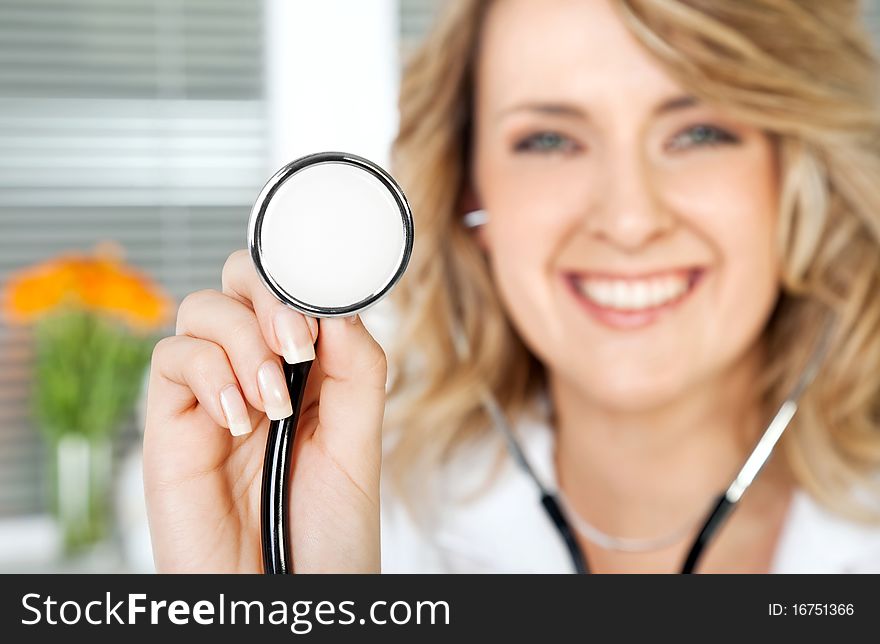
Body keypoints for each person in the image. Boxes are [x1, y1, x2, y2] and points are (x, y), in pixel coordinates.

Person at [143, 0, 880, 573]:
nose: (628, 220)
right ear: (469, 195)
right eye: (550, 140)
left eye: (699, 134)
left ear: (797, 177)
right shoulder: (351, 511)